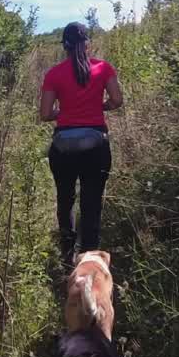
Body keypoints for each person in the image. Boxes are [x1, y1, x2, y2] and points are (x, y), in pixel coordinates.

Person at [39, 22, 125, 265]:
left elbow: (45, 114)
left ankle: (67, 256)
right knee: (92, 203)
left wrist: (65, 111)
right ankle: (89, 261)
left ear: (63, 46)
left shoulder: (54, 74)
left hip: (63, 147)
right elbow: (117, 100)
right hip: (96, 146)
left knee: (65, 199)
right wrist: (100, 106)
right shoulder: (103, 68)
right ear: (87, 43)